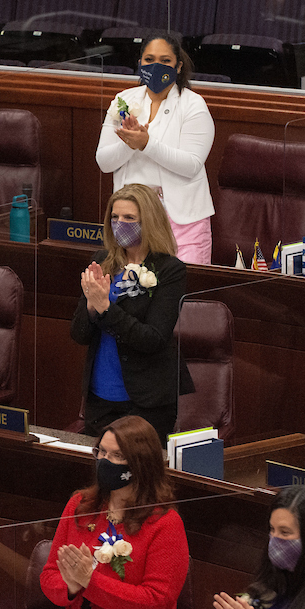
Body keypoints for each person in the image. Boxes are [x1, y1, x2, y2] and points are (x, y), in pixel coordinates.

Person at [40, 415, 189, 609]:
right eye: (102, 452)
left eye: (117, 455)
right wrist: (71, 587)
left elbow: (155, 602)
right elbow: (50, 575)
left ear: (140, 465)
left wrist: (89, 581)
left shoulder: (164, 524)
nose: (105, 461)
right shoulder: (80, 506)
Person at [71, 183, 191, 443]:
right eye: (114, 217)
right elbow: (79, 335)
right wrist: (92, 306)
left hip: (146, 402)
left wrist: (105, 307)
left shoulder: (169, 270)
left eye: (129, 218)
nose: (119, 224)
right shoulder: (102, 260)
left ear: (148, 221)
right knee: (101, 470)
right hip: (100, 396)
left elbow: (153, 338)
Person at [95, 32, 215, 265]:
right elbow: (104, 162)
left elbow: (191, 165)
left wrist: (146, 144)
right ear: (140, 64)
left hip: (182, 223)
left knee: (183, 295)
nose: (156, 66)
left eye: (165, 61)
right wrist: (131, 145)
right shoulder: (123, 100)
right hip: (131, 221)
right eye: (149, 60)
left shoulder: (193, 105)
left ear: (178, 66)